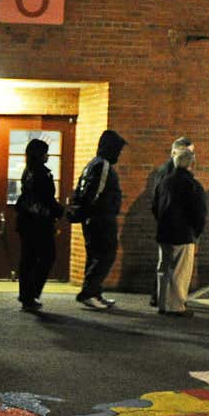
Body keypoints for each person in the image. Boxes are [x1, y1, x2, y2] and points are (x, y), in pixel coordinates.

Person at [71, 129, 126, 309]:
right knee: (105, 255)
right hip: (100, 218)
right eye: (118, 149)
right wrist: (95, 211)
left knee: (95, 255)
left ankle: (95, 292)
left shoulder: (93, 164)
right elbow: (95, 193)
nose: (119, 153)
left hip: (95, 218)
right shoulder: (103, 166)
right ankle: (88, 293)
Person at [153, 148, 207, 317]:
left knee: (164, 269)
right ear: (192, 164)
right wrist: (196, 232)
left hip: (164, 231)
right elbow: (199, 212)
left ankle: (163, 303)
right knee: (180, 272)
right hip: (183, 233)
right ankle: (176, 306)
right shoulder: (193, 185)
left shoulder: (164, 182)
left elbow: (155, 206)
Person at [14, 137, 62, 313]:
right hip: (40, 222)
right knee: (47, 256)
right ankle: (31, 293)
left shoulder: (28, 172)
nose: (47, 156)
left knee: (28, 259)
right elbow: (47, 199)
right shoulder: (43, 174)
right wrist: (60, 211)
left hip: (26, 221)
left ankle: (26, 295)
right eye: (45, 153)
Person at [149, 137, 193, 308]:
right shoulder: (174, 175)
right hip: (178, 229)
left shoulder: (164, 172)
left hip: (166, 227)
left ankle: (161, 299)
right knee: (176, 269)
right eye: (188, 151)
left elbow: (156, 202)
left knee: (165, 266)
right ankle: (171, 302)